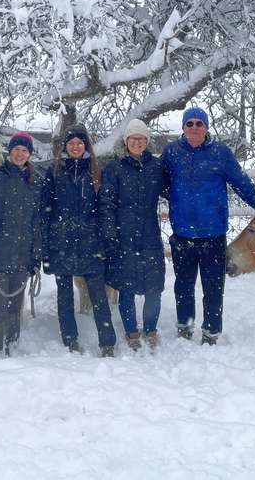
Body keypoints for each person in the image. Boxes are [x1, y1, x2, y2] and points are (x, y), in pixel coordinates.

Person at [161, 107, 255, 345]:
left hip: (212, 234)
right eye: (190, 124)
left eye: (199, 124)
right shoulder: (171, 153)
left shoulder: (220, 154)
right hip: (182, 235)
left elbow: (240, 182)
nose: (194, 128)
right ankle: (185, 327)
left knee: (213, 288)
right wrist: (175, 199)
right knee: (183, 286)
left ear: (206, 127)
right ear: (183, 128)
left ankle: (211, 332)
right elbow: (158, 182)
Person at [42, 123, 117, 357]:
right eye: (71, 143)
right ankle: (70, 340)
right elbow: (45, 210)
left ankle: (107, 343)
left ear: (86, 146)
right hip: (61, 244)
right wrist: (46, 246)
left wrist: (105, 241)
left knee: (98, 297)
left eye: (79, 143)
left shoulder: (96, 171)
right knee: (65, 297)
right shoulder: (54, 171)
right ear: (65, 146)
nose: (75, 147)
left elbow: (105, 209)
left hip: (90, 244)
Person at [99, 119, 168, 351]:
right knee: (126, 289)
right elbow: (106, 204)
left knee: (154, 288)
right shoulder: (114, 169)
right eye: (133, 138)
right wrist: (110, 234)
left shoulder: (157, 167)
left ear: (147, 141)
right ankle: (131, 331)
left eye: (141, 138)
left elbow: (175, 192)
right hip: (123, 236)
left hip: (149, 235)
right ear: (126, 141)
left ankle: (150, 329)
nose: (137, 142)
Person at [0, 131, 42, 357]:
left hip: (21, 256)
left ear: (29, 154)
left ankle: (11, 347)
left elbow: (36, 222)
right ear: (9, 152)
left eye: (24, 150)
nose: (20, 154)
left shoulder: (33, 181)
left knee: (15, 307)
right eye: (16, 150)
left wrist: (36, 256)